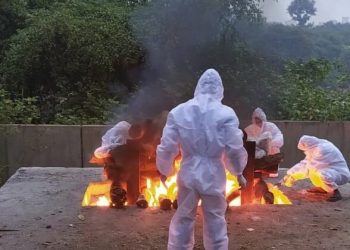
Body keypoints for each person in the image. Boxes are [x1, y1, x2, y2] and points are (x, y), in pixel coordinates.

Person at [156, 68, 248, 250]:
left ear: (198, 86)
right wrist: (238, 172)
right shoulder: (226, 114)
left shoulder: (179, 111)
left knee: (183, 218)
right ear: (219, 88)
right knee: (215, 219)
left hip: (188, 170)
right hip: (214, 173)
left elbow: (167, 145)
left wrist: (164, 169)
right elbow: (235, 148)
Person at [282, 135, 350, 202]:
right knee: (316, 173)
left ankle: (335, 192)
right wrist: (291, 173)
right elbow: (305, 163)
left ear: (306, 145)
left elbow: (311, 167)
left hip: (340, 173)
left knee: (322, 174)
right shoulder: (314, 147)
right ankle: (323, 188)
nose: (304, 151)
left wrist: (293, 177)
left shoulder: (322, 149)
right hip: (329, 169)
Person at [244, 107, 284, 177]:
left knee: (274, 148)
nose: (257, 120)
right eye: (255, 118)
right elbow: (244, 139)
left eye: (259, 118)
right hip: (256, 151)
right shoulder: (249, 129)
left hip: (270, 149)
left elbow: (279, 137)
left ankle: (272, 169)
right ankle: (254, 169)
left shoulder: (271, 126)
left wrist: (269, 143)